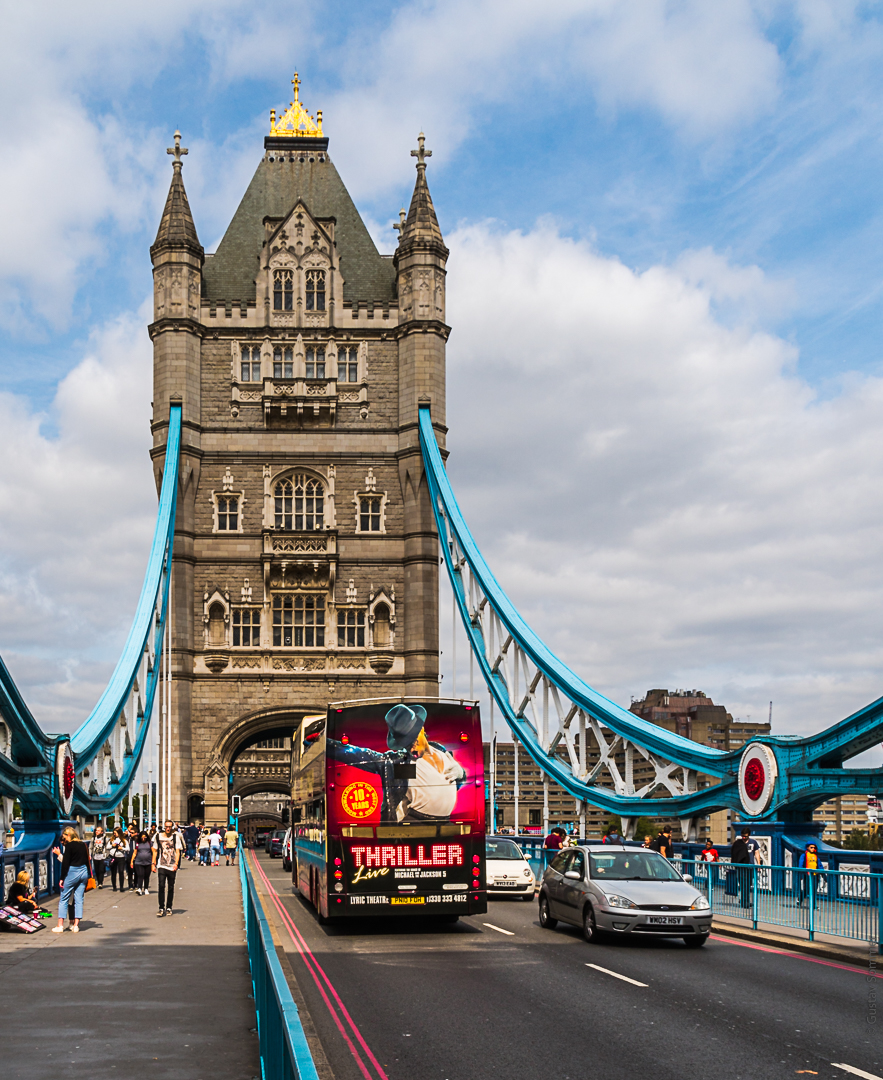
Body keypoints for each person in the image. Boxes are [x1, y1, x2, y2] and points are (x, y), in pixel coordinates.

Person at [327, 704, 467, 822]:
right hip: (416, 824)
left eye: (413, 741)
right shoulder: (402, 763)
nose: (411, 748)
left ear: (422, 729)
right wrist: (326, 744)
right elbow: (361, 756)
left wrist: (461, 774)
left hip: (445, 824)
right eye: (406, 744)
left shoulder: (442, 752)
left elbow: (449, 784)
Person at [52, 827, 90, 933]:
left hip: (73, 871)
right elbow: (87, 860)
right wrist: (88, 875)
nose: (64, 838)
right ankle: (75, 925)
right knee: (79, 899)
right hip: (83, 871)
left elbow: (66, 863)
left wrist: (62, 878)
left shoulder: (69, 846)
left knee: (64, 899)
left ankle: (60, 925)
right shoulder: (83, 844)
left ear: (68, 835)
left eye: (64, 836)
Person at [152, 819, 184, 917]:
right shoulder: (158, 836)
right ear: (164, 827)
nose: (168, 828)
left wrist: (176, 864)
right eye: (166, 827)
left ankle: (169, 907)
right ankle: (161, 908)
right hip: (161, 865)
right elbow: (155, 850)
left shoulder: (175, 837)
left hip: (172, 865)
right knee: (161, 886)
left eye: (170, 827)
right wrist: (153, 863)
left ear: (172, 827)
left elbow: (178, 851)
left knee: (170, 887)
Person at [730, 828, 759, 908]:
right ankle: (744, 902)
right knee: (743, 885)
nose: (744, 838)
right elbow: (734, 853)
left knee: (748, 884)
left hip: (750, 866)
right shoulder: (738, 843)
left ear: (749, 835)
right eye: (742, 836)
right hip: (741, 867)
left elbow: (756, 852)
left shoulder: (753, 842)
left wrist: (758, 864)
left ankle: (745, 900)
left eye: (745, 836)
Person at [796, 842, 820, 907]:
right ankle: (799, 900)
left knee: (814, 890)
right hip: (807, 875)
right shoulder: (804, 855)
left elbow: (819, 865)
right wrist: (801, 874)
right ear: (807, 848)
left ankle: (813, 905)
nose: (813, 849)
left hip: (815, 875)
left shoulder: (815, 856)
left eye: (814, 847)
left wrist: (824, 875)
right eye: (811, 847)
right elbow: (801, 865)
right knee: (806, 889)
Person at [130, 830, 153, 895]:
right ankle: (139, 888)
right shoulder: (138, 843)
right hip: (139, 862)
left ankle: (146, 888)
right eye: (142, 837)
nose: (143, 839)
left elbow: (153, 851)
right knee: (140, 875)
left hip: (148, 862)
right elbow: (135, 852)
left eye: (144, 837)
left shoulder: (149, 843)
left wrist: (153, 861)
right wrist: (132, 861)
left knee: (147, 876)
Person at [108, 826, 129, 892]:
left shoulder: (124, 840)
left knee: (121, 871)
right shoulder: (111, 840)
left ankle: (121, 887)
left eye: (115, 833)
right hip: (113, 857)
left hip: (121, 857)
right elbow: (107, 847)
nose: (114, 834)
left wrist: (122, 848)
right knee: (113, 872)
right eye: (114, 833)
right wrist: (112, 846)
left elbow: (128, 849)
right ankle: (114, 886)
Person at [125, 824, 139, 891]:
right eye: (130, 832)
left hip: (137, 857)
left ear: (136, 833)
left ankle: (136, 884)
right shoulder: (128, 839)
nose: (131, 834)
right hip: (129, 857)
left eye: (132, 833)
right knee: (130, 872)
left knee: (136, 872)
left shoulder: (138, 839)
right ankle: (130, 885)